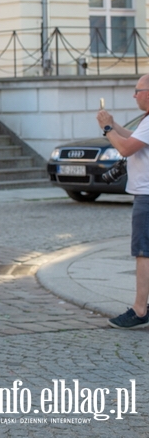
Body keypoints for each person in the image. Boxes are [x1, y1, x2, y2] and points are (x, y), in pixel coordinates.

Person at [98, 75, 149, 329]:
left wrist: (108, 130)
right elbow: (134, 138)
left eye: (137, 90)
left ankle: (140, 311)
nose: (134, 95)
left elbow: (127, 149)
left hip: (147, 195)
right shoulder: (146, 121)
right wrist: (115, 125)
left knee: (143, 251)